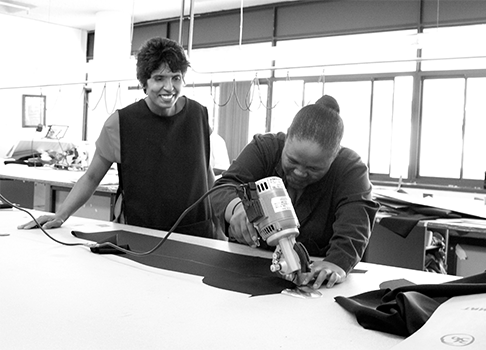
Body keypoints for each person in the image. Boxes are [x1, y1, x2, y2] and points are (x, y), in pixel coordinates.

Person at [19, 37, 217, 238]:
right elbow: (92, 177)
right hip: (141, 234)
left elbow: (206, 174)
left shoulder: (198, 115)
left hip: (198, 233)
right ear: (144, 82)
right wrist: (60, 215)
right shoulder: (120, 123)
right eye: (159, 78)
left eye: (176, 77)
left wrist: (221, 221)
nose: (169, 87)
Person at [210, 95, 380, 289]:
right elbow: (223, 188)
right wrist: (236, 208)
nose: (299, 173)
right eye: (292, 161)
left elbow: (355, 225)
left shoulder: (350, 169)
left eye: (314, 169)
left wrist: (337, 263)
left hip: (311, 274)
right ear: (288, 136)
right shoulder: (265, 148)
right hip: (246, 265)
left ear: (335, 154)